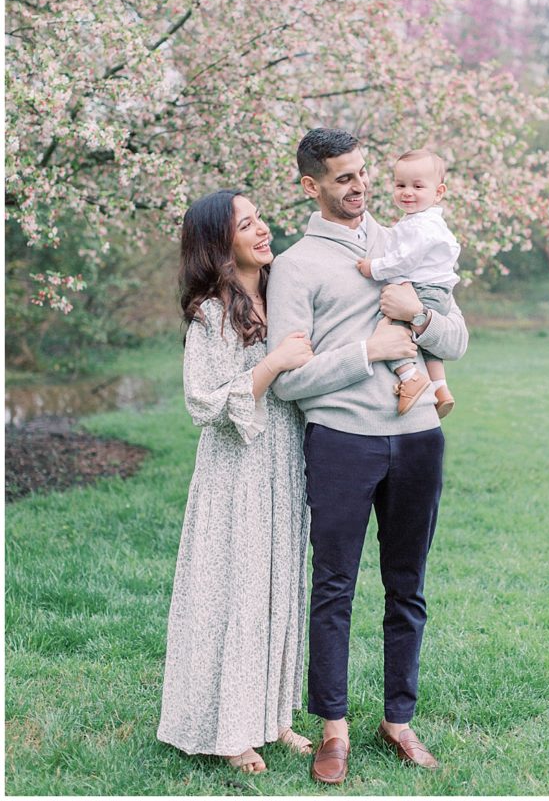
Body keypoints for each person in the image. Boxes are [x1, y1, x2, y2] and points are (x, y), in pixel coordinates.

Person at [267, 128, 469, 785]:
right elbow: (288, 380)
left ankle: (398, 720)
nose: (360, 187)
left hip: (417, 439)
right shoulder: (295, 266)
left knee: (407, 587)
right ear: (311, 185)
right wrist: (367, 355)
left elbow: (457, 338)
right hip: (341, 443)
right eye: (343, 178)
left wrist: (420, 315)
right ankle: (333, 730)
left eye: (362, 173)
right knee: (334, 589)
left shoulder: (409, 238)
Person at [157, 189, 314, 774]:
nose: (262, 230)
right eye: (246, 225)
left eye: (259, 219)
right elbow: (203, 403)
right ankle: (226, 728)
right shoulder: (210, 313)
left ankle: (272, 718)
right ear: (221, 247)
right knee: (239, 590)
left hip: (285, 461)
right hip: (237, 468)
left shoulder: (282, 293)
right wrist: (271, 364)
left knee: (279, 585)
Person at [356, 148, 460, 418]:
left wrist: (373, 267)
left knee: (387, 328)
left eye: (417, 186)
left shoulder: (420, 227)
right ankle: (441, 389)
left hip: (423, 291)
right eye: (400, 185)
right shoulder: (423, 222)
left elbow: (403, 261)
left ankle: (409, 376)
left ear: (438, 192)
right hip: (437, 292)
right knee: (428, 346)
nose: (407, 192)